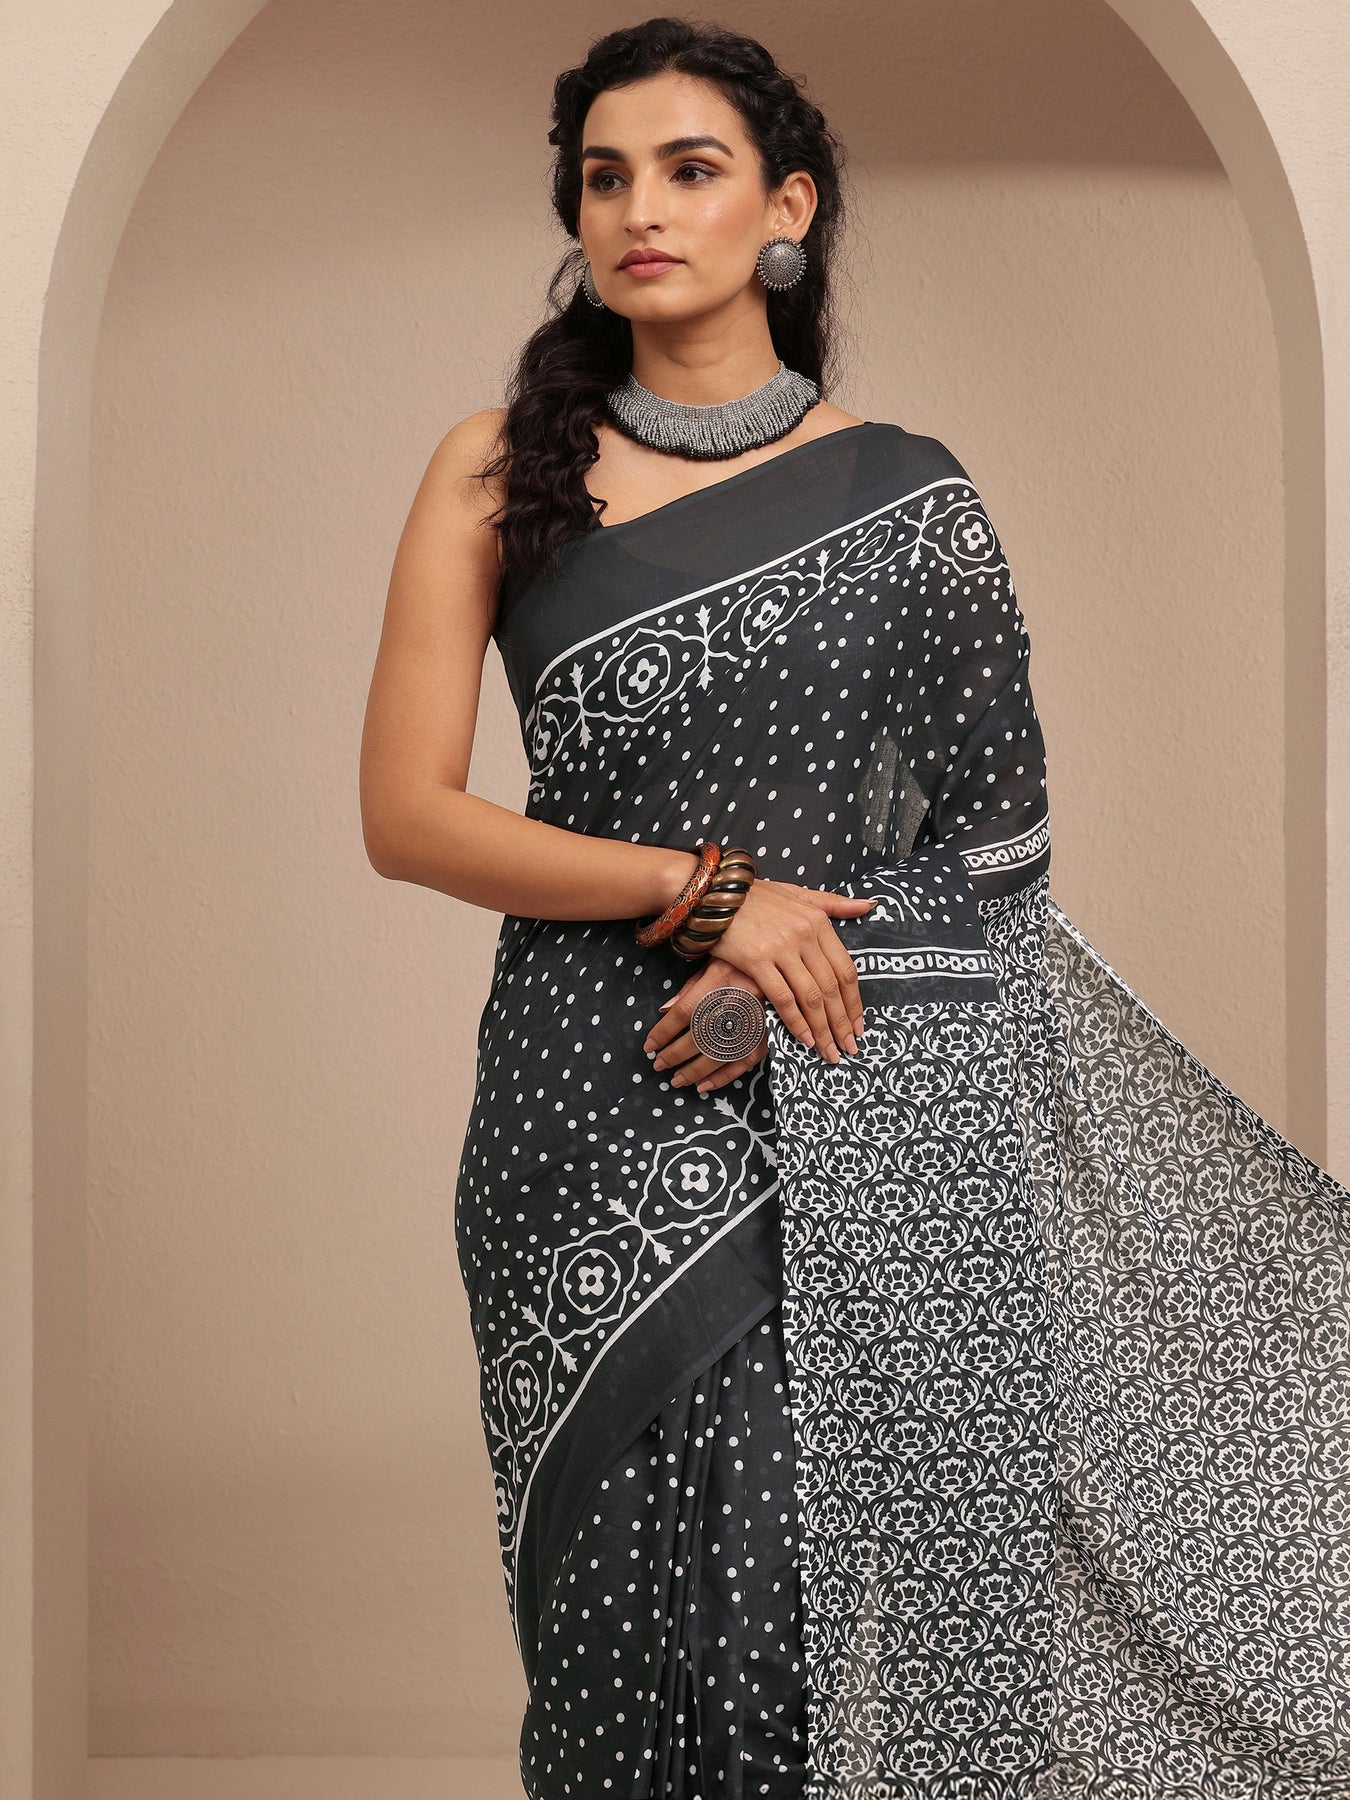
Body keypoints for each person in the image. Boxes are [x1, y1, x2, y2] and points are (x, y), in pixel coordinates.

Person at [359, 17, 1350, 1800]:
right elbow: (408, 816)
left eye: (691, 170)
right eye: (604, 176)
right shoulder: (495, 469)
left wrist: (788, 971)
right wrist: (710, 896)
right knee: (622, 1622)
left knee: (801, 1629)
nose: (640, 209)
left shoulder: (908, 497)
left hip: (848, 1082)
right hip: (588, 1100)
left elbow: (999, 856)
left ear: (786, 207)